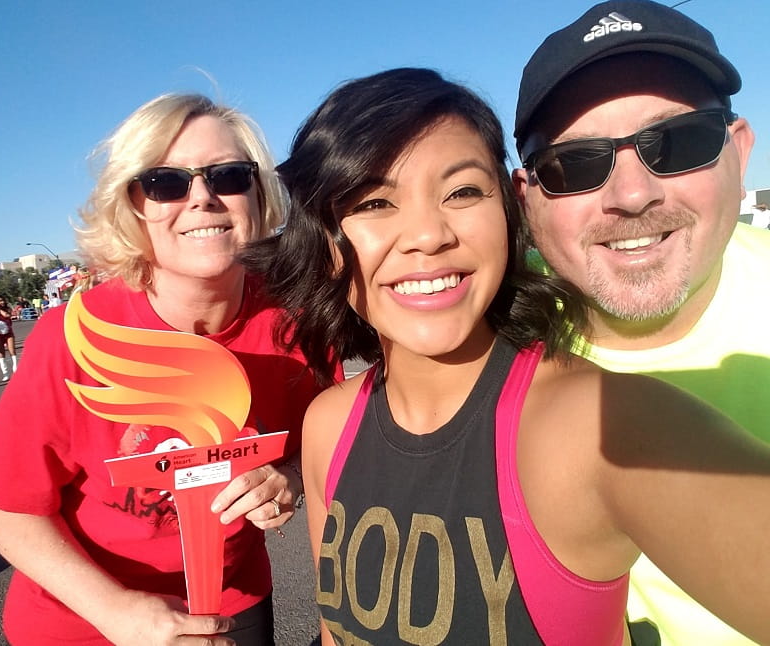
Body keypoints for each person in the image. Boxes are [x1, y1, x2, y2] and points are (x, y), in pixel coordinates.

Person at [241, 67, 770, 645]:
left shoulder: (603, 425)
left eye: (462, 192)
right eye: (374, 202)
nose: (428, 235)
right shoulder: (328, 425)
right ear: (323, 240)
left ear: (508, 211)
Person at [0, 93, 341, 646]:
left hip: (232, 604)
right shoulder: (73, 337)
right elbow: (7, 506)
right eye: (166, 183)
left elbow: (320, 442)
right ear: (132, 206)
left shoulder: (301, 324)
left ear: (259, 194)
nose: (203, 198)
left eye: (229, 176)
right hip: (83, 618)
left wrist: (286, 477)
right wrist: (116, 611)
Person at [511, 2, 770, 644]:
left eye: (678, 144)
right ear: (527, 199)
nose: (632, 195)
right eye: (575, 164)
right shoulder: (489, 328)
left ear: (739, 151)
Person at [0, 295, 18, 381]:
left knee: (12, 350)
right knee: (1, 352)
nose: (2, 302)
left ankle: (15, 369)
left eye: (3, 300)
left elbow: (6, 315)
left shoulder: (6, 309)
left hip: (8, 332)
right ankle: (5, 373)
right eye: (0, 301)